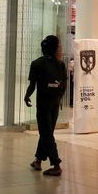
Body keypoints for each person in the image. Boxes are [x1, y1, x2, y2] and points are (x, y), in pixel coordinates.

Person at [24, 35, 67, 176]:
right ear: (55, 49)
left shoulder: (37, 63)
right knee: (47, 132)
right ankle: (38, 160)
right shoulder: (61, 64)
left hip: (43, 103)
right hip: (55, 103)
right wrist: (59, 97)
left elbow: (32, 85)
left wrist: (27, 95)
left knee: (46, 133)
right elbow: (64, 85)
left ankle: (56, 164)